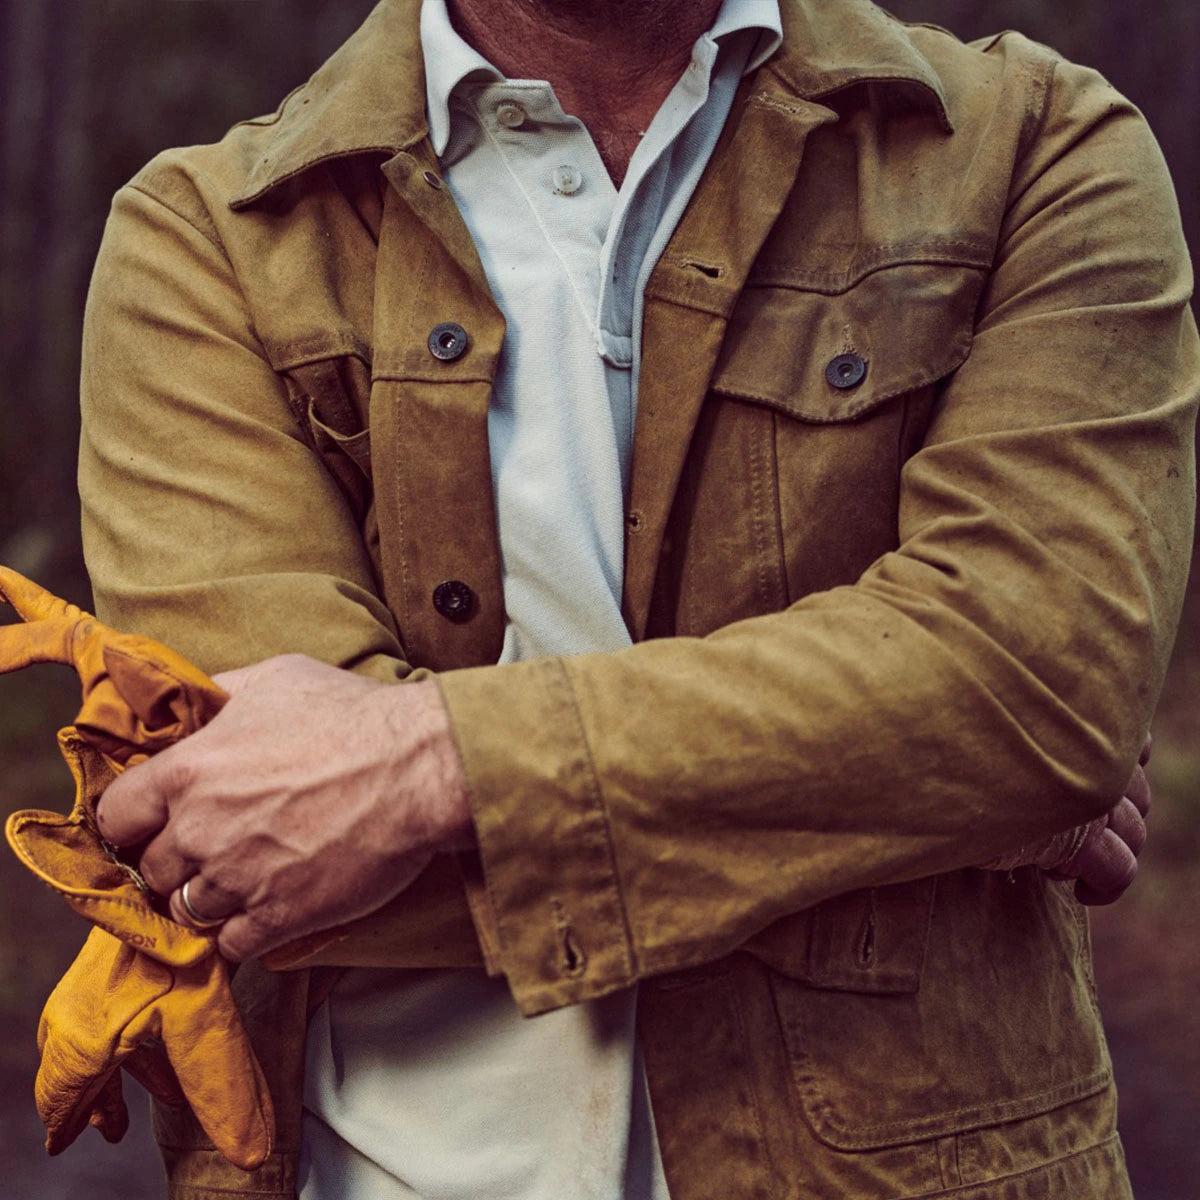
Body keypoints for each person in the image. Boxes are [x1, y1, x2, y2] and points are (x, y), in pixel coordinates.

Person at [74, 0, 1194, 1196]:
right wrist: (925, 797)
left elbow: (1031, 687)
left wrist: (418, 761)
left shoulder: (1034, 146)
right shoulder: (204, 236)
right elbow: (257, 846)